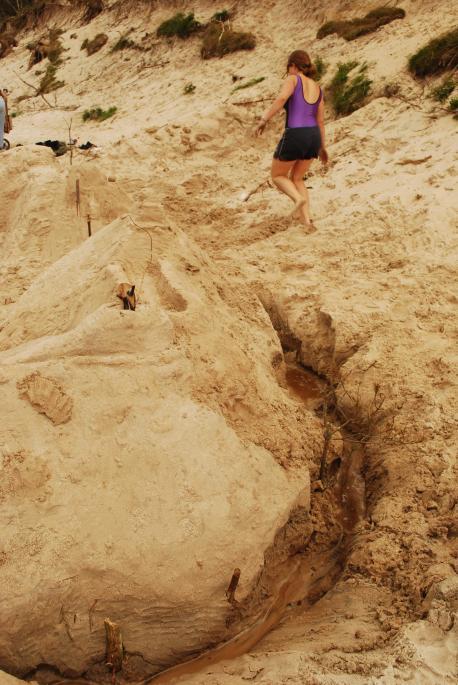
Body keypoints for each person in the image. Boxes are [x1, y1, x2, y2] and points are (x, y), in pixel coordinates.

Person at [255, 50, 328, 229]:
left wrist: (264, 119)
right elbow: (320, 121)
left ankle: (297, 198)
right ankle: (307, 222)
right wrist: (322, 146)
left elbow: (282, 98)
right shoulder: (318, 88)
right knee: (297, 178)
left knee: (277, 176)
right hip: (314, 136)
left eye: (288, 68)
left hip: (296, 133)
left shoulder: (293, 79)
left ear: (293, 66)